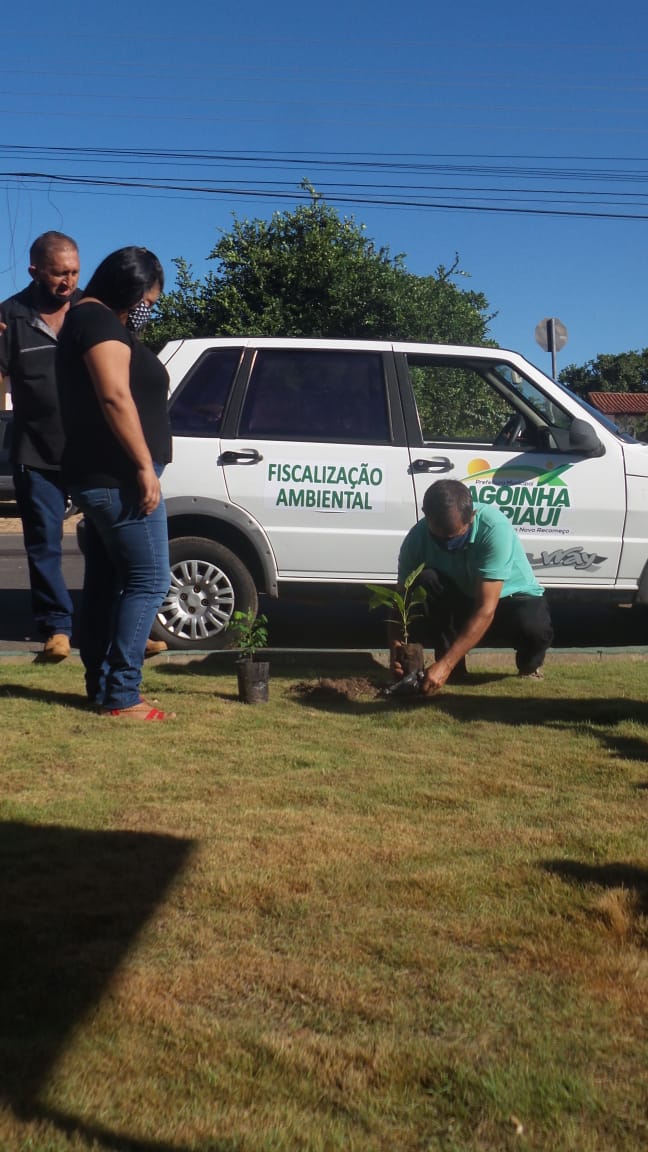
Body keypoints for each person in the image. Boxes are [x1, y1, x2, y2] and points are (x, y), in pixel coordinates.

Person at [57, 246, 174, 719]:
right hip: (119, 477)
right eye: (148, 299)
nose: (149, 308)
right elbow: (114, 397)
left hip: (104, 474)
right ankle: (123, 693)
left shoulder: (89, 319)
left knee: (108, 583)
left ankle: (102, 687)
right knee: (150, 579)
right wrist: (144, 466)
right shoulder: (99, 322)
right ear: (130, 288)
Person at [390, 479, 553, 695]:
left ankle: (529, 666)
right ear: (426, 516)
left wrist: (445, 665)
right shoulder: (416, 539)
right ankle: (453, 670)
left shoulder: (494, 528)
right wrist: (396, 650)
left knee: (533, 629)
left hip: (510, 599)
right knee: (425, 579)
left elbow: (486, 609)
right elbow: (400, 601)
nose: (447, 545)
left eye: (455, 537)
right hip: (462, 597)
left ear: (472, 516)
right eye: (439, 538)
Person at [0, 232, 80, 659]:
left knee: (111, 541)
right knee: (44, 544)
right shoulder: (10, 316)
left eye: (74, 272)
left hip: (92, 451)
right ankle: (56, 628)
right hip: (36, 452)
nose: (68, 282)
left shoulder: (90, 311)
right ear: (35, 271)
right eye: (59, 273)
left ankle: (123, 623)